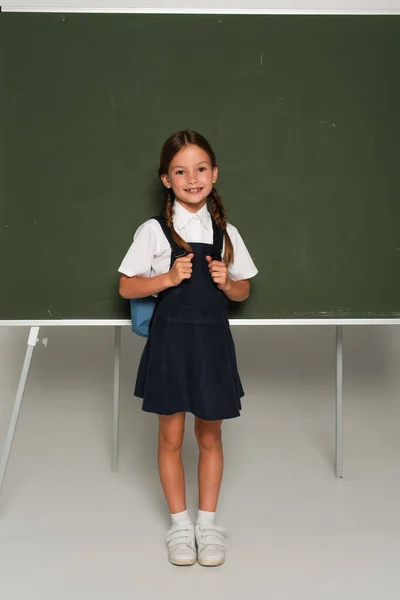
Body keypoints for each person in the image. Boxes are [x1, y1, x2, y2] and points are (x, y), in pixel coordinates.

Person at [118, 129, 258, 566]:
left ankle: (207, 525)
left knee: (211, 435)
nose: (192, 178)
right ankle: (180, 527)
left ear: (214, 174)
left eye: (200, 169)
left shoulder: (225, 232)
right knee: (171, 436)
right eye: (181, 171)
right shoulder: (154, 231)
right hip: (171, 345)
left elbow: (244, 292)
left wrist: (229, 283)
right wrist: (167, 278)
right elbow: (126, 284)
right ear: (166, 179)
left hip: (213, 345)